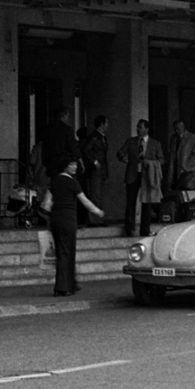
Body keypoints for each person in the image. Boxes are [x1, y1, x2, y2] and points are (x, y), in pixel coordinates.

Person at [45, 156, 103, 297]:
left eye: (75, 165)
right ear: (66, 166)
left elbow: (46, 203)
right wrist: (98, 211)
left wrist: (48, 220)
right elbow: (85, 201)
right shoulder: (72, 182)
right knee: (67, 253)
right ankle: (63, 287)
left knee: (61, 253)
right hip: (68, 220)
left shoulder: (54, 181)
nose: (75, 167)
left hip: (55, 220)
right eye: (72, 165)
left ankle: (69, 284)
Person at [116, 119, 163, 237]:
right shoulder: (131, 141)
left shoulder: (155, 143)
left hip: (147, 176)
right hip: (133, 174)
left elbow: (161, 159)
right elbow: (120, 152)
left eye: (140, 127)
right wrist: (123, 158)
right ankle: (129, 229)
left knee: (147, 203)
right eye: (137, 127)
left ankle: (145, 229)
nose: (137, 129)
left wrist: (151, 162)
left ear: (146, 129)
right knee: (131, 202)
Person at [166, 118, 195, 222]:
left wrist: (187, 165)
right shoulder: (173, 139)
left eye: (179, 128)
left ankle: (188, 217)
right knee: (178, 195)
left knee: (188, 195)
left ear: (183, 127)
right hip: (176, 170)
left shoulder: (191, 137)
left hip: (188, 172)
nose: (177, 131)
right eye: (175, 129)